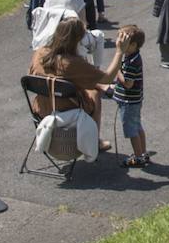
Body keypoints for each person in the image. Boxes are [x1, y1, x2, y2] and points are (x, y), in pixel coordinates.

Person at [28, 16, 125, 154]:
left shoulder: (40, 52)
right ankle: (94, 142)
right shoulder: (73, 63)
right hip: (65, 112)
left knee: (86, 86)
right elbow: (107, 78)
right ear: (77, 39)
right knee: (94, 93)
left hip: (41, 108)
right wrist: (120, 51)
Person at [109, 25, 151, 168]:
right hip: (134, 100)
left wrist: (117, 71)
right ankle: (143, 153)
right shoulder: (131, 56)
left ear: (133, 45)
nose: (119, 44)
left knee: (132, 129)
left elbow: (128, 84)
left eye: (123, 42)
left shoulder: (132, 62)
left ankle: (138, 157)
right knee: (137, 126)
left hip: (129, 101)